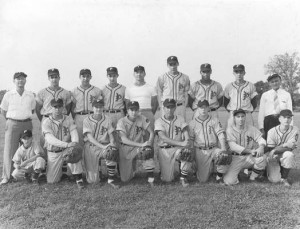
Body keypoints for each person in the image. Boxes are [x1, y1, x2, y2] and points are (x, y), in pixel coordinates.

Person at [0, 72, 36, 185]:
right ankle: (6, 176)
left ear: (25, 81)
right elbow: (3, 110)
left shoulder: (30, 95)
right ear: (14, 81)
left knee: (27, 149)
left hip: (26, 123)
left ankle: (26, 173)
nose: (20, 81)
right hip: (13, 123)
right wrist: (11, 121)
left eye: (23, 79)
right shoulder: (8, 94)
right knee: (10, 150)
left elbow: (33, 110)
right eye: (18, 79)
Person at [42, 98, 84, 189]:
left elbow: (73, 131)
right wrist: (67, 144)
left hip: (67, 150)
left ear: (63, 107)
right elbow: (50, 139)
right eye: (55, 107)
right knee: (52, 181)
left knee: (74, 151)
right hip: (54, 151)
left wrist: (74, 143)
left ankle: (79, 179)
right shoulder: (46, 122)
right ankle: (63, 171)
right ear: (51, 108)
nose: (57, 109)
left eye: (59, 107)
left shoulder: (68, 119)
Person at [223, 109, 267, 185]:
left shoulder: (251, 128)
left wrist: (261, 147)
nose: (241, 119)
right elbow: (233, 146)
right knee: (229, 181)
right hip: (235, 158)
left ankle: (253, 177)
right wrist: (250, 151)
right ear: (234, 118)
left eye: (242, 116)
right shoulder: (230, 130)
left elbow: (261, 139)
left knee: (262, 158)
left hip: (249, 157)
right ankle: (237, 174)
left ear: (245, 117)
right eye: (238, 117)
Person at [116, 101, 155, 186]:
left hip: (137, 148)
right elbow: (124, 140)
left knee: (147, 151)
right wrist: (142, 144)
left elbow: (151, 132)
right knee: (125, 179)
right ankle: (130, 170)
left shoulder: (142, 118)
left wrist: (149, 143)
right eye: (131, 110)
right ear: (127, 110)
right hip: (125, 148)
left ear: (138, 110)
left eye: (136, 110)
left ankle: (151, 179)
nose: (134, 112)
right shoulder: (121, 121)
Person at [154, 98, 192, 187]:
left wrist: (187, 141)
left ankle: (183, 177)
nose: (169, 110)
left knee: (186, 152)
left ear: (175, 108)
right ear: (163, 108)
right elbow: (163, 138)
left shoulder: (180, 118)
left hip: (177, 149)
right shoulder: (159, 121)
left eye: (172, 107)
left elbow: (185, 130)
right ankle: (163, 172)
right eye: (167, 107)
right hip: (164, 150)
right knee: (167, 180)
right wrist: (181, 144)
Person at [188, 100, 228, 183]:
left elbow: (221, 135)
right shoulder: (192, 123)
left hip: (213, 149)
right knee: (203, 180)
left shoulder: (214, 120)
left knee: (222, 155)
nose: (203, 109)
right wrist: (193, 154)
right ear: (197, 109)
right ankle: (207, 169)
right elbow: (191, 140)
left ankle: (219, 177)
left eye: (205, 107)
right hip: (200, 151)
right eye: (201, 107)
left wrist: (223, 148)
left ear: (208, 108)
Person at [82, 99, 119, 188]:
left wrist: (112, 144)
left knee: (111, 152)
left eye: (100, 107)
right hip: (90, 147)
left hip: (105, 145)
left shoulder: (108, 119)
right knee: (92, 181)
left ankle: (111, 180)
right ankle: (98, 173)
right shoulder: (86, 120)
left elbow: (111, 135)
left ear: (103, 108)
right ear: (92, 108)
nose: (98, 109)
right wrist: (103, 147)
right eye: (96, 107)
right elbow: (90, 138)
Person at [266, 109, 298, 187]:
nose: (286, 119)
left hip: (281, 153)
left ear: (291, 119)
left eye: (289, 117)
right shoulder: (271, 131)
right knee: (274, 180)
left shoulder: (295, 130)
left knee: (289, 155)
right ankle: (266, 171)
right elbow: (270, 149)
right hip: (273, 156)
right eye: (284, 117)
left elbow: (291, 147)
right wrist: (285, 145)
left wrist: (276, 149)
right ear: (279, 119)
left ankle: (284, 178)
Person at [71, 69, 102, 147]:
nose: (85, 78)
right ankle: (80, 159)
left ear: (90, 77)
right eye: (83, 76)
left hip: (92, 116)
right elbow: (72, 107)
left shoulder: (96, 90)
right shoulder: (74, 91)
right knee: (79, 140)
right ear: (79, 77)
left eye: (87, 76)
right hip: (79, 116)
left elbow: (99, 105)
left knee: (92, 139)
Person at [258, 74, 293, 139]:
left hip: (282, 121)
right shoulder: (265, 95)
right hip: (268, 121)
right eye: (272, 82)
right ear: (269, 83)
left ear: (280, 81)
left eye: (276, 81)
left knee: (281, 142)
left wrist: (290, 126)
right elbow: (261, 112)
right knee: (269, 143)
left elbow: (290, 111)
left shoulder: (286, 94)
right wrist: (261, 127)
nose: (275, 83)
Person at [157, 56, 190, 120]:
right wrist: (161, 106)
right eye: (170, 64)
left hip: (179, 106)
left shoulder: (185, 77)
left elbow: (186, 93)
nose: (173, 66)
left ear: (178, 64)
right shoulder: (162, 77)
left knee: (180, 127)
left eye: (174, 64)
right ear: (167, 65)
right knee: (166, 127)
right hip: (167, 107)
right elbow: (159, 92)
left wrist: (184, 106)